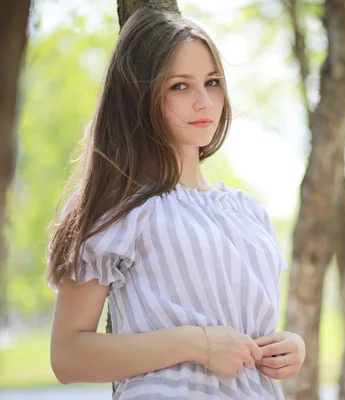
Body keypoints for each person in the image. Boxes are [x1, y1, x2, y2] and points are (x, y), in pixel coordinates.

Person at [46, 7, 304, 399]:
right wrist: (196, 344)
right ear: (140, 95)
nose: (204, 102)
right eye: (180, 86)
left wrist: (287, 349)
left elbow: (246, 328)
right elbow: (67, 357)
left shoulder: (250, 213)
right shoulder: (119, 208)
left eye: (212, 82)